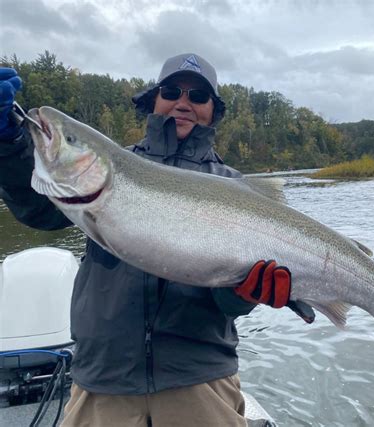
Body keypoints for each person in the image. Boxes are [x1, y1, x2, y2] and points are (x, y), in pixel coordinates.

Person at [0, 54, 306, 426]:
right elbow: (36, 210)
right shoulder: (107, 174)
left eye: (198, 96)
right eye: (172, 90)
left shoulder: (234, 186)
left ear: (213, 110)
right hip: (102, 380)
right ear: (154, 100)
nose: (183, 102)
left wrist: (243, 296)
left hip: (199, 381)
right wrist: (9, 141)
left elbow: (226, 301)